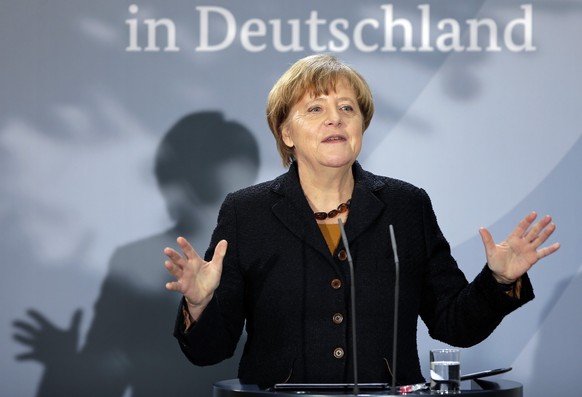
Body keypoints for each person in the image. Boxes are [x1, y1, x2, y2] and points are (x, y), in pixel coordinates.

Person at [163, 54, 560, 389]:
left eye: (347, 108)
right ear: (286, 133)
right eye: (315, 109)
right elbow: (210, 351)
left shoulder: (406, 205)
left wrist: (499, 282)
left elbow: (453, 323)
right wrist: (199, 305)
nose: (334, 119)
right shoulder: (246, 212)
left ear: (361, 125)